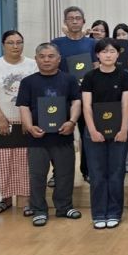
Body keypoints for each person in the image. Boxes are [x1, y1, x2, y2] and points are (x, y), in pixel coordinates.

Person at [16, 42, 82, 227]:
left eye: (51, 56)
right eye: (42, 56)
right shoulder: (28, 82)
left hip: (63, 136)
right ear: (36, 59)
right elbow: (24, 107)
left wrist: (72, 122)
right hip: (37, 138)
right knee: (37, 176)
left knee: (65, 175)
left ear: (59, 59)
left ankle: (64, 207)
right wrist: (29, 127)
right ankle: (39, 210)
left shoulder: (69, 79)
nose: (46, 60)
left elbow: (76, 102)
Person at [0, 30, 37, 217]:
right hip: (2, 122)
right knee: (3, 162)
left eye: (19, 42)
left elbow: (37, 92)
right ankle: (4, 199)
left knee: (25, 163)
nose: (15, 46)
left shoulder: (32, 65)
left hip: (26, 122)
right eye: (11, 42)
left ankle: (26, 201)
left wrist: (30, 120)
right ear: (3, 45)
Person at [81, 38, 128, 230]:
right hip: (94, 132)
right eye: (104, 52)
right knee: (97, 174)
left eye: (112, 51)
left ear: (118, 54)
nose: (108, 55)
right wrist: (92, 130)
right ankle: (98, 213)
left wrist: (124, 129)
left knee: (116, 173)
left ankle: (114, 212)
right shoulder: (89, 77)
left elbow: (125, 105)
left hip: (119, 132)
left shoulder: (124, 76)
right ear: (97, 54)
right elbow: (86, 106)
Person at [52, 6, 98, 184]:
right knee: (60, 135)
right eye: (70, 18)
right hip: (63, 96)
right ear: (65, 22)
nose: (74, 21)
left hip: (87, 96)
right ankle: (58, 173)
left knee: (88, 134)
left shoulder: (92, 44)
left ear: (83, 21)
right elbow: (52, 67)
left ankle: (87, 170)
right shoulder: (57, 43)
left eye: (78, 18)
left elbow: (96, 67)